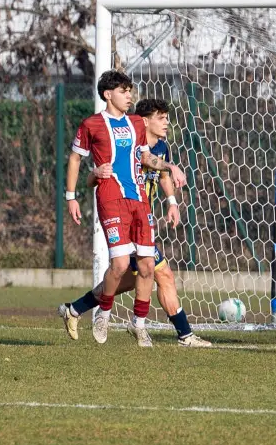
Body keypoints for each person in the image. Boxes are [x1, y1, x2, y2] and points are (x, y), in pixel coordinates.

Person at [58, 99, 211, 347]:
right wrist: (85, 183)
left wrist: (172, 202)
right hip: (122, 217)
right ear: (144, 121)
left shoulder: (160, 148)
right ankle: (183, 334)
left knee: (129, 279)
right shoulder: (125, 147)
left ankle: (74, 309)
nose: (166, 123)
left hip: (141, 219)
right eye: (161, 117)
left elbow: (162, 176)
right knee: (159, 274)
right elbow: (93, 176)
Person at [64, 70, 169, 346]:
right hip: (111, 198)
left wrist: (169, 166)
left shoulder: (136, 123)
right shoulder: (92, 125)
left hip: (139, 200)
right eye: (124, 91)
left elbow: (144, 156)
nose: (129, 95)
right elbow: (75, 158)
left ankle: (139, 324)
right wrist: (71, 196)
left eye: (129, 90)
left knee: (147, 265)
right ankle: (103, 314)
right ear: (108, 94)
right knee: (121, 264)